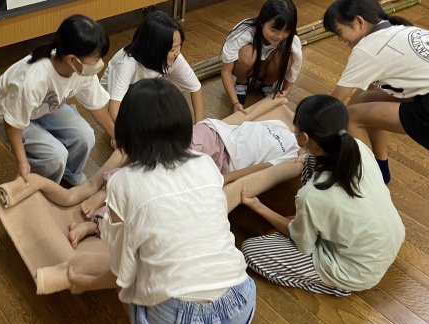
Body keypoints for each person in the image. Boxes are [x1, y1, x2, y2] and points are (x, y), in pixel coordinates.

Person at [103, 78, 256, 324]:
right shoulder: (204, 163)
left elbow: (123, 269)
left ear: (126, 131)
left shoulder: (122, 182)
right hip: (240, 306)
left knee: (125, 281)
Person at [67, 99, 299, 248]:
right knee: (155, 162)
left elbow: (265, 169)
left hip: (221, 164)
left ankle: (99, 222)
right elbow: (247, 117)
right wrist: (272, 101)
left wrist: (229, 177)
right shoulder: (278, 125)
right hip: (212, 136)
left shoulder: (292, 153)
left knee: (159, 186)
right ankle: (107, 189)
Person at [240, 95, 405, 296]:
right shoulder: (357, 146)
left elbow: (301, 242)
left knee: (250, 251)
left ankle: (338, 286)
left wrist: (257, 206)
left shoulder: (312, 196)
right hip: (388, 239)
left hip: (358, 271)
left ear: (304, 138)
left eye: (295, 130)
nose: (293, 132)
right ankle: (315, 225)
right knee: (309, 161)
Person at [324, 0, 429, 184]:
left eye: (339, 32)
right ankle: (381, 171)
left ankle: (370, 182)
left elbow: (333, 103)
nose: (340, 39)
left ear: (359, 22)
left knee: (352, 117)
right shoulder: (399, 30)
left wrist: (316, 138)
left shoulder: (367, 48)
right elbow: (365, 93)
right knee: (366, 101)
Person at [0, 14, 116, 186]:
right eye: (96, 58)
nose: (99, 63)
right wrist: (22, 162)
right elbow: (12, 124)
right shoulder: (33, 79)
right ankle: (42, 188)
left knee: (85, 136)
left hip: (42, 107)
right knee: (55, 156)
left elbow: (96, 105)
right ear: (72, 60)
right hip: (6, 114)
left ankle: (69, 175)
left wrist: (118, 137)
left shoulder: (81, 70)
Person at [101, 10, 203, 122]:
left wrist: (199, 124)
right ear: (154, 48)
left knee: (174, 90)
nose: (177, 52)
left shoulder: (174, 56)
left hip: (142, 99)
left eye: (180, 45)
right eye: (172, 49)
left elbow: (195, 87)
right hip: (115, 106)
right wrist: (128, 131)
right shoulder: (127, 63)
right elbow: (114, 109)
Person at [220, 0, 302, 108]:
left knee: (285, 56)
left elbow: (294, 69)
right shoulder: (244, 32)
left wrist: (286, 90)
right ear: (262, 22)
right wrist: (235, 103)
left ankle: (267, 84)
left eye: (286, 31)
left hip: (268, 70)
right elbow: (226, 71)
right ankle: (241, 82)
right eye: (274, 30)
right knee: (247, 53)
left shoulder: (292, 40)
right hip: (246, 69)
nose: (279, 36)